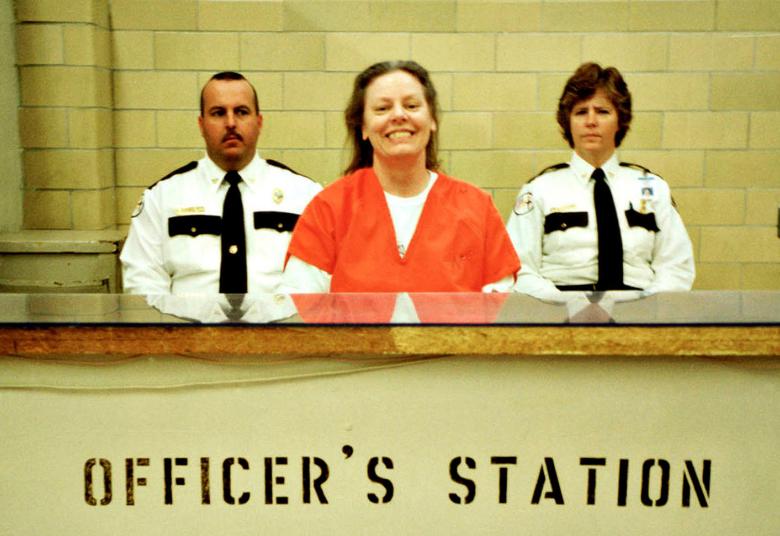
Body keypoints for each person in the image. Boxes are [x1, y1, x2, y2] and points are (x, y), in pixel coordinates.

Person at [282, 60, 520, 295]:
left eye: (411, 105)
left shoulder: (477, 208)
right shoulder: (329, 209)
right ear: (363, 127)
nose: (398, 115)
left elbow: (500, 308)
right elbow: (301, 306)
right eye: (382, 108)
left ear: (432, 119)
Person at [506, 62, 695, 304]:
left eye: (602, 111)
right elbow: (518, 269)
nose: (591, 121)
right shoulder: (539, 190)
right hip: (560, 312)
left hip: (638, 312)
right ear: (568, 121)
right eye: (581, 112)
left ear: (620, 120)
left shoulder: (651, 188)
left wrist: (643, 307)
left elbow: (676, 267)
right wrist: (568, 305)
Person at [120, 71, 322, 296]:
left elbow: (316, 279)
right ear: (201, 124)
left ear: (259, 122)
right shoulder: (161, 198)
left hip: (282, 318)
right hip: (186, 319)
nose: (231, 123)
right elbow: (143, 281)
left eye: (241, 112)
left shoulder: (305, 195)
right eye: (218, 113)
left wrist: (281, 318)